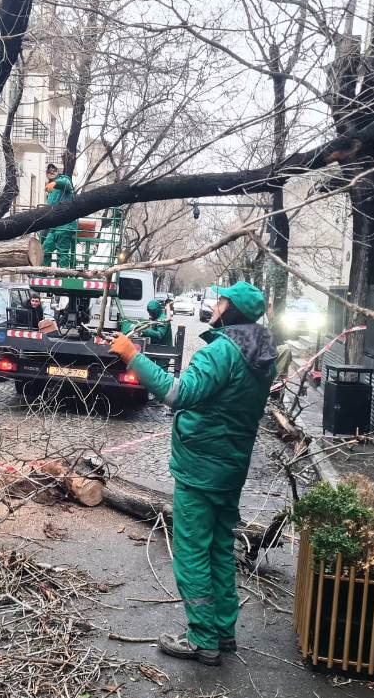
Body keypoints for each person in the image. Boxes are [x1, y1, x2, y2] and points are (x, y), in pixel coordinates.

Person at [108, 282, 276, 665]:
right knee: (219, 548)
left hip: (200, 468)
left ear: (230, 310)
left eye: (221, 301)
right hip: (231, 466)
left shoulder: (221, 352)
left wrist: (133, 355)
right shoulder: (263, 353)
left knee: (192, 552)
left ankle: (202, 639)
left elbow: (178, 394)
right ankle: (223, 631)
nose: (215, 306)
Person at [41, 164, 78, 268]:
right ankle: (43, 273)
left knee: (62, 252)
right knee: (45, 249)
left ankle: (62, 275)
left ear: (58, 172)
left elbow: (65, 183)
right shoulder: (51, 190)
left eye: (54, 171)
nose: (51, 172)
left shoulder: (64, 181)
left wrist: (55, 183)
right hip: (54, 227)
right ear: (46, 174)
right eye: (49, 171)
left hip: (65, 226)